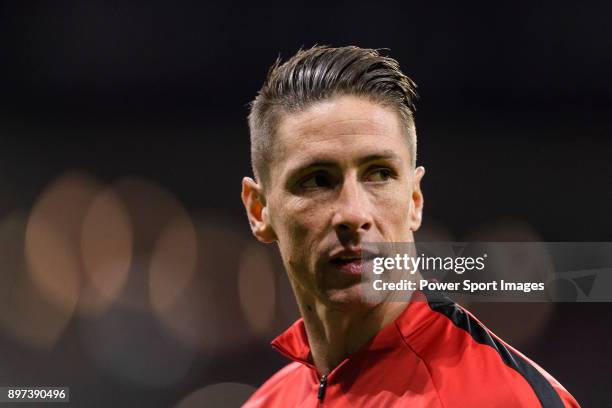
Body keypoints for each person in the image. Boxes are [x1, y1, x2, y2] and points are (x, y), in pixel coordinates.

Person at [240, 45, 579, 407]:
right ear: (259, 210)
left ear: (414, 200)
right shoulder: (268, 402)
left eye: (379, 174)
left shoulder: (507, 398)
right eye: (317, 180)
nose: (354, 213)